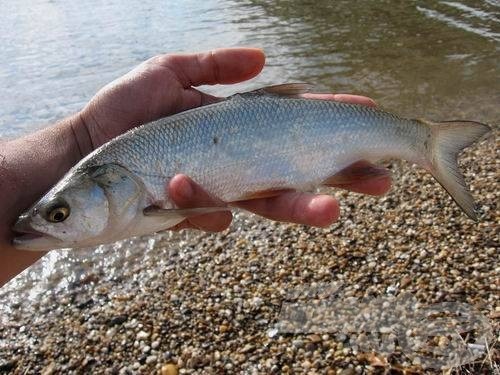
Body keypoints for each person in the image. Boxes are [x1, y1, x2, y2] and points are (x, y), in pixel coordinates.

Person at [0, 47, 391, 286]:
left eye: (58, 212)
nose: (45, 222)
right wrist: (81, 138)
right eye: (59, 213)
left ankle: (420, 143)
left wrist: (83, 137)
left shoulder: (111, 166)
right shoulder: (106, 163)